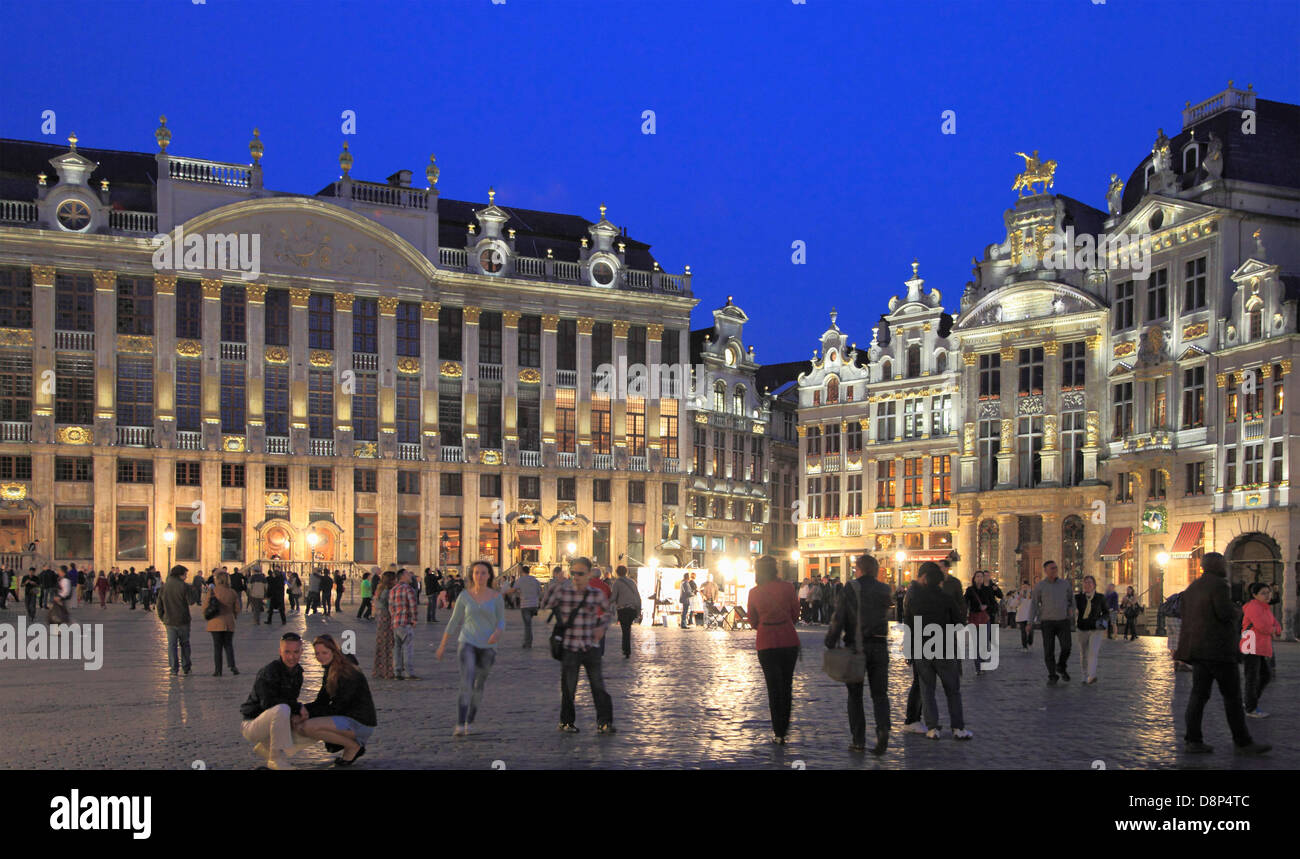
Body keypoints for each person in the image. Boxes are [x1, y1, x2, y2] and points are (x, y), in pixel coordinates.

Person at [1174, 552, 1270, 755]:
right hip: (1218, 650)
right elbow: (1224, 613)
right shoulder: (1218, 585)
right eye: (1223, 563)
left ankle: (1193, 740)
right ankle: (1242, 742)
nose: (1225, 567)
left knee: (1198, 695)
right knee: (1232, 697)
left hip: (1198, 650)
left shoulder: (1193, 588)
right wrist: (1237, 610)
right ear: (1216, 565)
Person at [826, 554, 892, 755]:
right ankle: (882, 729)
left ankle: (858, 740)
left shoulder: (851, 588)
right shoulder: (884, 589)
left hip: (856, 647)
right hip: (879, 646)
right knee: (880, 694)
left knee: (855, 696)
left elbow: (840, 617)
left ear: (860, 569)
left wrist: (831, 640)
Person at [542, 557, 614, 734]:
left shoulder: (595, 594)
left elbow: (608, 612)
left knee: (598, 686)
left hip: (591, 646)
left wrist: (601, 628)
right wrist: (555, 584)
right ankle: (566, 722)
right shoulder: (563, 592)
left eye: (580, 573)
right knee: (568, 687)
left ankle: (604, 722)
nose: (576, 577)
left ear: (589, 574)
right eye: (573, 573)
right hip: (570, 646)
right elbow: (544, 604)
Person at [436, 560, 506, 736]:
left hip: (488, 646)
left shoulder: (496, 597)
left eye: (483, 573)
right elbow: (454, 621)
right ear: (472, 575)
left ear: (489, 575)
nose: (480, 576)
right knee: (466, 682)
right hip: (467, 642)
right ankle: (460, 723)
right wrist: (443, 644)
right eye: (476, 573)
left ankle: (470, 719)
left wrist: (498, 631)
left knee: (479, 685)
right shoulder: (464, 596)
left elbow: (501, 620)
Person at [907, 562, 971, 740]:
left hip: (922, 649)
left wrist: (910, 650)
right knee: (952, 690)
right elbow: (959, 622)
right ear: (940, 581)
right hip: (945, 647)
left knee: (927, 690)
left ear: (925, 579)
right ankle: (958, 728)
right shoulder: (946, 599)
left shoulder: (914, 599)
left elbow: (909, 626)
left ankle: (932, 728)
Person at [296, 633, 376, 766]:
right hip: (347, 718)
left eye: (324, 653)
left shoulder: (347, 671)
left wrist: (306, 715)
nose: (320, 657)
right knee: (302, 724)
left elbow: (339, 707)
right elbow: (321, 701)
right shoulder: (331, 669)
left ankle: (353, 746)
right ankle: (351, 749)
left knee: (307, 726)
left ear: (334, 651)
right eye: (317, 654)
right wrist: (299, 709)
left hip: (360, 722)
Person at [239, 632, 313, 770]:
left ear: (302, 651)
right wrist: (297, 707)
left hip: (275, 720)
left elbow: (290, 701)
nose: (292, 657)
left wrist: (297, 714)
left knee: (311, 725)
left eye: (296, 652)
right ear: (280, 651)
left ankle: (267, 748)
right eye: (287, 652)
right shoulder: (269, 671)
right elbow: (268, 703)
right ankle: (275, 759)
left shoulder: (298, 673)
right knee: (282, 708)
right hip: (253, 723)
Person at [747, 555, 800, 745]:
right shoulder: (788, 587)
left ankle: (777, 731)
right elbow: (795, 612)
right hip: (788, 639)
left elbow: (752, 620)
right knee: (786, 685)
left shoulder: (754, 592)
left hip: (766, 642)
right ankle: (784, 727)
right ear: (775, 569)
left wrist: (765, 624)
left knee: (773, 687)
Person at [1241, 582, 1282, 718]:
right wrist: (1274, 630)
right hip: (1251, 644)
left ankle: (1249, 702)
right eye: (1263, 593)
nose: (1268, 595)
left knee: (1265, 675)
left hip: (1260, 645)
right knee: (1252, 677)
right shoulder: (1253, 607)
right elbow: (1263, 626)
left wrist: (1276, 629)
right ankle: (1250, 707)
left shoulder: (1264, 607)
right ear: (1255, 595)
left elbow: (1274, 623)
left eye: (1268, 592)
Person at [1032, 561, 1074, 685]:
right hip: (1047, 622)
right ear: (1046, 570)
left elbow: (1072, 600)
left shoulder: (1065, 584)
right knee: (1049, 650)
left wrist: (1071, 612)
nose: (1055, 570)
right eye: (1052, 568)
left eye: (1056, 568)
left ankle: (1061, 665)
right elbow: (1034, 604)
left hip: (1063, 621)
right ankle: (1052, 674)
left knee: (1067, 646)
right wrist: (1030, 622)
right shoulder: (1040, 586)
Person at [157, 565, 193, 676]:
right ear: (180, 574)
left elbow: (159, 605)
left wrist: (163, 618)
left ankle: (173, 668)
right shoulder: (184, 586)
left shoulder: (165, 586)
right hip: (183, 620)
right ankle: (186, 667)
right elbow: (191, 601)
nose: (186, 577)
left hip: (169, 620)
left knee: (172, 645)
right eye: (185, 575)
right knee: (185, 644)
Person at [204, 570, 239, 677]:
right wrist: (234, 616)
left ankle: (218, 670)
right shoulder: (232, 592)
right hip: (229, 621)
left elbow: (205, 606)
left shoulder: (212, 591)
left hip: (215, 622)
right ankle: (232, 666)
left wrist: (207, 616)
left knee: (217, 647)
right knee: (228, 645)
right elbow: (237, 608)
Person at [1074, 575, 1108, 684]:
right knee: (1083, 653)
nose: (1087, 585)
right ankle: (1084, 674)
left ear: (1094, 585)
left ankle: (1091, 675)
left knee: (1093, 652)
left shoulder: (1100, 597)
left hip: (1095, 629)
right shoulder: (1078, 598)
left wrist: (1102, 620)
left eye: (1089, 583)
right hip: (1082, 628)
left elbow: (1106, 612)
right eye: (1085, 582)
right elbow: (1071, 608)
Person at [964, 570, 995, 675]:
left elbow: (994, 605)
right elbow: (965, 603)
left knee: (984, 643)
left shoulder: (988, 590)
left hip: (985, 619)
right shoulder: (970, 590)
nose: (979, 578)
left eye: (981, 576)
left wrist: (987, 607)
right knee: (976, 644)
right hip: (974, 619)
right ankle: (979, 667)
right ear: (974, 578)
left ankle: (982, 663)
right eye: (977, 576)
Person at [390, 569, 420, 680]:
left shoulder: (393, 590)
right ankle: (409, 673)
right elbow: (413, 605)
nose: (411, 576)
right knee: (408, 648)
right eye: (408, 574)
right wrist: (414, 619)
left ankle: (397, 672)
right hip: (406, 622)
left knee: (397, 649)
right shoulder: (408, 589)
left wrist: (394, 618)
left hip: (396, 623)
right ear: (402, 576)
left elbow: (391, 607)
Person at [505, 566, 543, 648]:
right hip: (534, 605)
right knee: (528, 623)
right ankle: (527, 641)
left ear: (522, 571)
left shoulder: (520, 580)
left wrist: (504, 593)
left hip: (526, 605)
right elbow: (540, 591)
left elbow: (513, 590)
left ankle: (528, 643)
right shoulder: (535, 580)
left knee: (527, 625)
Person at [609, 566, 642, 658]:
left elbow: (613, 597)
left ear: (617, 572)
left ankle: (626, 649)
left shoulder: (617, 583)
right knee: (627, 628)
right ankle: (626, 649)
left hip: (623, 609)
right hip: (632, 609)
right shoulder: (632, 582)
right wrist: (638, 610)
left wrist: (606, 603)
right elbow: (637, 596)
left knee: (625, 629)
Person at [372, 571, 396, 680]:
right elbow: (390, 607)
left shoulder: (381, 589)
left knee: (383, 644)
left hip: (382, 618)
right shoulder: (387, 592)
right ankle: (387, 671)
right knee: (387, 644)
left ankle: (380, 670)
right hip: (387, 618)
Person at [1014, 582, 1034, 650]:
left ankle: (1030, 642)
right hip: (1022, 615)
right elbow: (1014, 605)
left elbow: (1035, 603)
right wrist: (1019, 598)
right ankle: (1024, 646)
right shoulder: (1018, 594)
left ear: (1029, 587)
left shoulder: (1033, 594)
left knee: (1030, 631)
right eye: (1023, 587)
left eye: (1026, 587)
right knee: (1023, 631)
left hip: (1030, 615)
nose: (1025, 589)